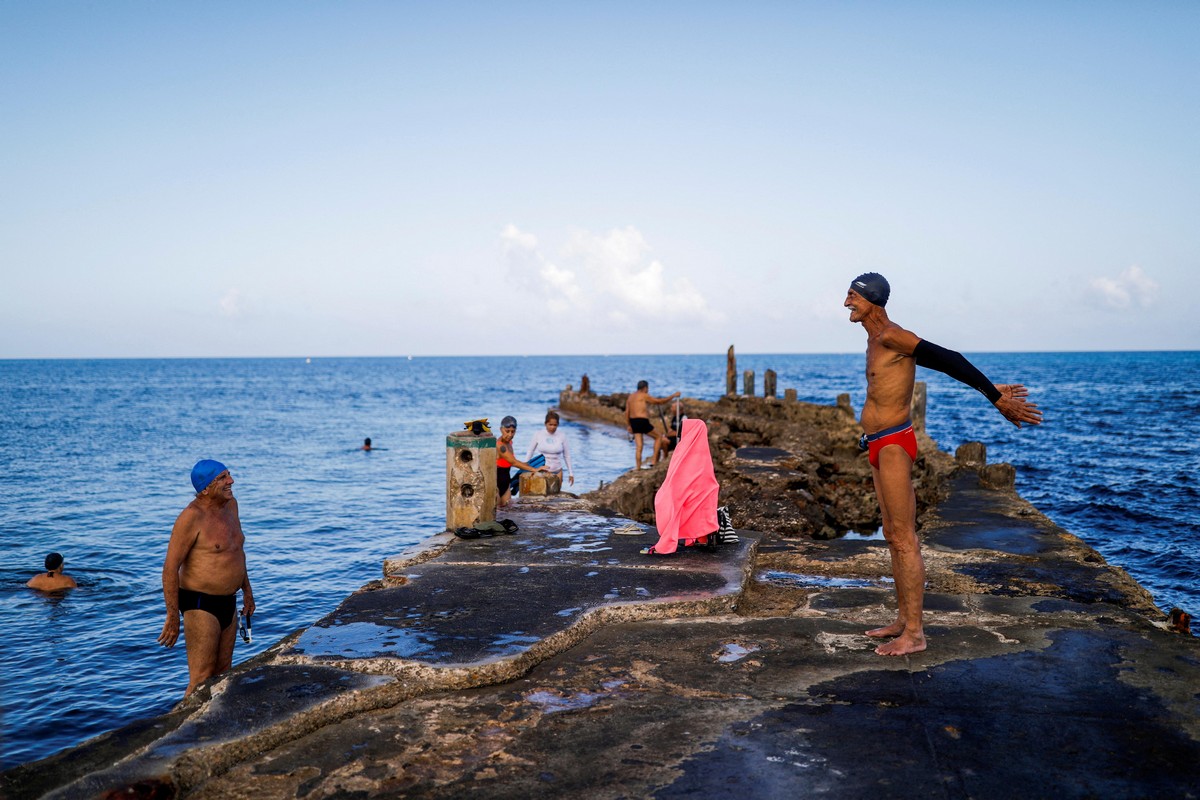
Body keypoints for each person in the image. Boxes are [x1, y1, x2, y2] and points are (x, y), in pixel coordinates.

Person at [845, 273, 1042, 656]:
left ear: (872, 300)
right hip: (875, 443)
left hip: (893, 444)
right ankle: (903, 619)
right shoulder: (873, 339)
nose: (846, 303)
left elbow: (949, 359)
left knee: (904, 537)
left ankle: (915, 635)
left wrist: (992, 396)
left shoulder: (892, 336)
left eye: (853, 296)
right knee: (890, 533)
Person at [158, 459, 256, 697]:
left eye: (229, 475)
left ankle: (214, 728)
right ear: (204, 488)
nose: (231, 481)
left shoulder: (231, 506)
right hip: (200, 604)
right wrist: (172, 616)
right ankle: (183, 731)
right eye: (222, 478)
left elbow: (236, 553)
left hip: (229, 601)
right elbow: (170, 569)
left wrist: (247, 591)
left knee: (223, 672)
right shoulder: (191, 517)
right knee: (201, 678)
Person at [625, 380, 681, 469]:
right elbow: (659, 401)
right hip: (642, 421)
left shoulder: (630, 397)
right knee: (658, 437)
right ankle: (654, 462)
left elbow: (627, 412)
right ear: (645, 388)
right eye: (647, 388)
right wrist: (673, 396)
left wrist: (629, 425)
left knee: (639, 446)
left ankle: (638, 467)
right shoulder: (643, 395)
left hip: (633, 421)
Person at [496, 416, 547, 507]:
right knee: (497, 513)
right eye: (507, 431)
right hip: (496, 484)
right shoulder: (500, 446)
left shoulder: (509, 443)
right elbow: (514, 462)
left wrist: (526, 465)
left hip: (506, 483)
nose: (510, 435)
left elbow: (511, 461)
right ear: (501, 429)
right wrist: (534, 469)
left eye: (513, 431)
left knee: (506, 512)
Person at [526, 410, 575, 487]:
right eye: (550, 424)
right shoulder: (538, 434)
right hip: (542, 472)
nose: (552, 427)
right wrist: (525, 467)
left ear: (558, 424)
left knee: (556, 497)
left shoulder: (562, 435)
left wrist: (571, 473)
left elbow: (567, 455)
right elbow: (530, 451)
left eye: (555, 425)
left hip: (557, 472)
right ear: (545, 424)